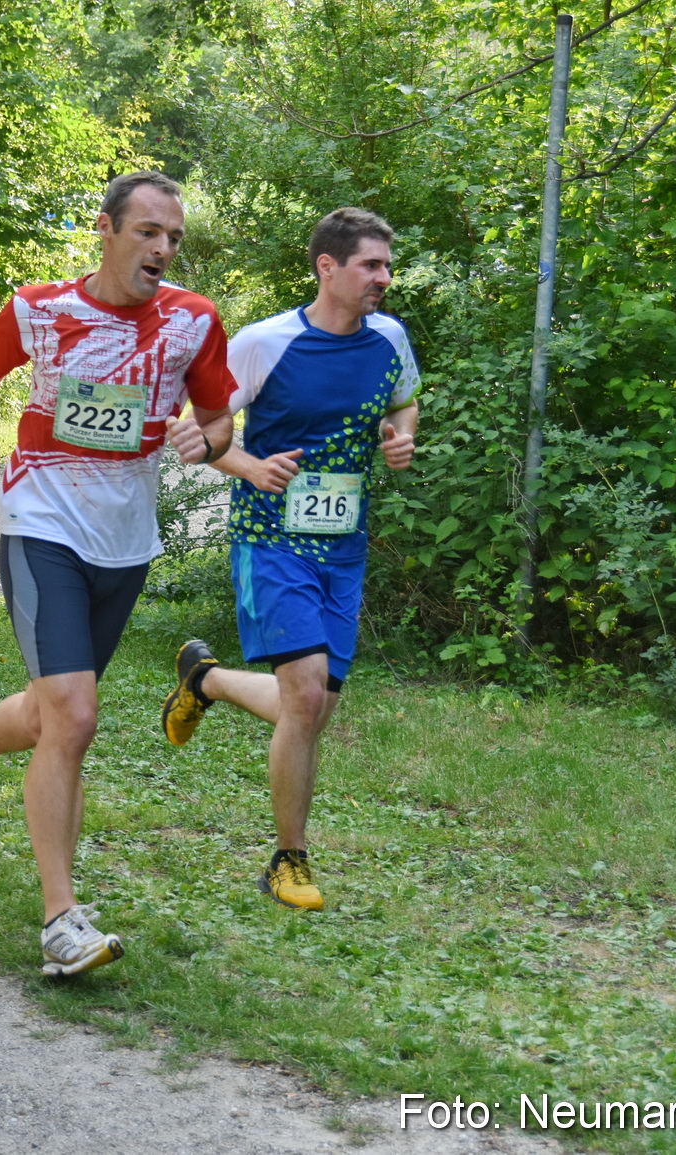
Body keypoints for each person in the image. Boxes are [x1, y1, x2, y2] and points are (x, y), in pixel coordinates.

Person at [0, 171, 237, 977]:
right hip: (41, 521)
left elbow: (218, 418)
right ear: (105, 229)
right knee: (75, 714)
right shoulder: (40, 308)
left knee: (47, 715)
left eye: (174, 238)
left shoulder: (193, 321)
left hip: (124, 537)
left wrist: (206, 441)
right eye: (148, 232)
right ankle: (60, 920)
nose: (164, 249)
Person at [158, 207, 420, 912]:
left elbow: (404, 403)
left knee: (312, 708)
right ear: (326, 267)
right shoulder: (263, 343)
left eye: (387, 266)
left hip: (345, 545)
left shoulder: (390, 338)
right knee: (304, 696)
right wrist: (248, 465)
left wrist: (399, 438)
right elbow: (200, 430)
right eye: (371, 265)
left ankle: (205, 680)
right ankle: (288, 859)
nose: (384, 279)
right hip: (271, 539)